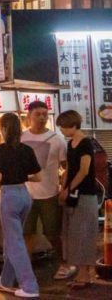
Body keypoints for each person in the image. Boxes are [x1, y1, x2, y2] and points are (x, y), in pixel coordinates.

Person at [0, 113, 42, 298]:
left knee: (14, 242)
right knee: (15, 239)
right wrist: (21, 175)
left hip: (9, 196)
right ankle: (6, 279)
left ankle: (30, 286)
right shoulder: (26, 149)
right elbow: (38, 177)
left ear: (4, 129)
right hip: (24, 195)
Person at [21, 100, 72, 280]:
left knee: (52, 232)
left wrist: (63, 188)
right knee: (27, 232)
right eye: (38, 114)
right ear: (29, 117)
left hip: (49, 193)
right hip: (26, 194)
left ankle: (64, 263)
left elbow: (66, 166)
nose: (42, 118)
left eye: (45, 114)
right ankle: (25, 269)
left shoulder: (56, 139)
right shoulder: (21, 138)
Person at [56, 110, 98, 289]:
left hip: (85, 193)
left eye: (64, 127)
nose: (62, 131)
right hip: (74, 195)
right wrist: (64, 188)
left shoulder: (85, 143)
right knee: (75, 234)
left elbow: (84, 170)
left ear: (73, 125)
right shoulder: (70, 143)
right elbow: (69, 169)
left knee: (83, 234)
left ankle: (85, 275)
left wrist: (69, 188)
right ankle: (86, 273)